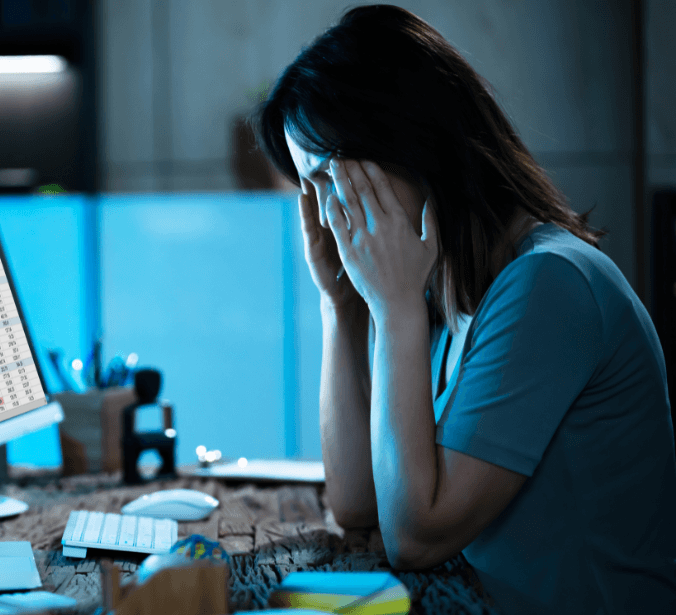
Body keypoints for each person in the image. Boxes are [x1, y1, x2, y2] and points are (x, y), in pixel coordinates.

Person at [255, 4, 676, 614]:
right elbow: (357, 502)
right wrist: (340, 305)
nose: (324, 216)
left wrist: (394, 307)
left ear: (408, 140)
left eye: (331, 179)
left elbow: (415, 537)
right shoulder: (446, 284)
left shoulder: (548, 283)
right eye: (310, 190)